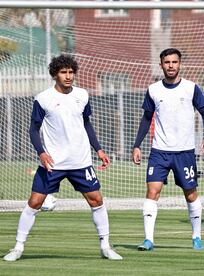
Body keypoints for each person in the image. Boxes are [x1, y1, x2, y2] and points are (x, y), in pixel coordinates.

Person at [3, 54, 122, 261]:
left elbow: (86, 124)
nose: (68, 76)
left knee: (97, 201)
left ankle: (106, 246)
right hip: (53, 163)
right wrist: (41, 153)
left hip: (80, 161)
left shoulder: (83, 95)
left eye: (70, 72)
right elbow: (33, 130)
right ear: (55, 74)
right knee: (34, 202)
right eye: (63, 72)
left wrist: (99, 149)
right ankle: (18, 248)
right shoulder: (43, 99)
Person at [132, 48, 204, 251]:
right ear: (161, 65)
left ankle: (196, 236)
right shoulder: (153, 90)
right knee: (152, 190)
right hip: (159, 151)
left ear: (180, 64)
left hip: (185, 152)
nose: (170, 66)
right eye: (167, 62)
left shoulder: (191, 88)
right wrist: (136, 145)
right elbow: (146, 119)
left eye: (174, 62)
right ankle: (148, 239)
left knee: (190, 194)